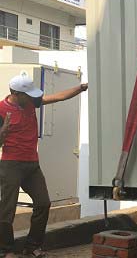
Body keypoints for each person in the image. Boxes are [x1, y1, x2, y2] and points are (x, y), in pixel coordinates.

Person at [0, 73, 88, 258]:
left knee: (43, 203)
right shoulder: (1, 110)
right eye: (28, 94)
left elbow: (57, 97)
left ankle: (32, 247)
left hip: (32, 164)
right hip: (11, 165)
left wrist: (80, 88)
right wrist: (3, 131)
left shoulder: (31, 102)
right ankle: (6, 250)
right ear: (16, 93)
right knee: (7, 211)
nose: (33, 97)